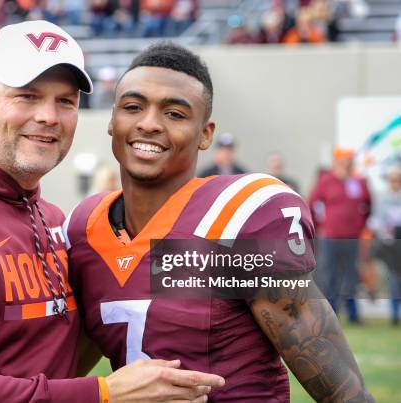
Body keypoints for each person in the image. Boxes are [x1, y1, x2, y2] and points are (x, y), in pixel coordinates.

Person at [0, 21, 223, 403]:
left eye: (65, 100)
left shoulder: (53, 218)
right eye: (27, 96)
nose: (49, 116)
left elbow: (54, 356)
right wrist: (104, 394)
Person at [65, 42, 373, 402]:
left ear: (206, 134)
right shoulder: (84, 229)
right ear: (112, 119)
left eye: (175, 114)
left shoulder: (238, 216)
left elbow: (340, 386)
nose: (149, 124)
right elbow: (65, 368)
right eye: (133, 107)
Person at [309, 147, 371, 323]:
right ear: (335, 161)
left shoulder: (359, 182)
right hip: (330, 238)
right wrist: (320, 226)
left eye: (348, 159)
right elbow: (312, 204)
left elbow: (368, 205)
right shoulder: (326, 181)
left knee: (351, 275)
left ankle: (352, 313)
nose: (345, 163)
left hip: (352, 237)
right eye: (342, 159)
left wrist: (360, 225)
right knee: (329, 275)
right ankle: (330, 312)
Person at [369, 164, 401, 325]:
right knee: (393, 278)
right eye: (393, 180)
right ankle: (395, 313)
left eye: (398, 180)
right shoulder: (382, 198)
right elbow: (377, 221)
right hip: (390, 245)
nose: (395, 183)